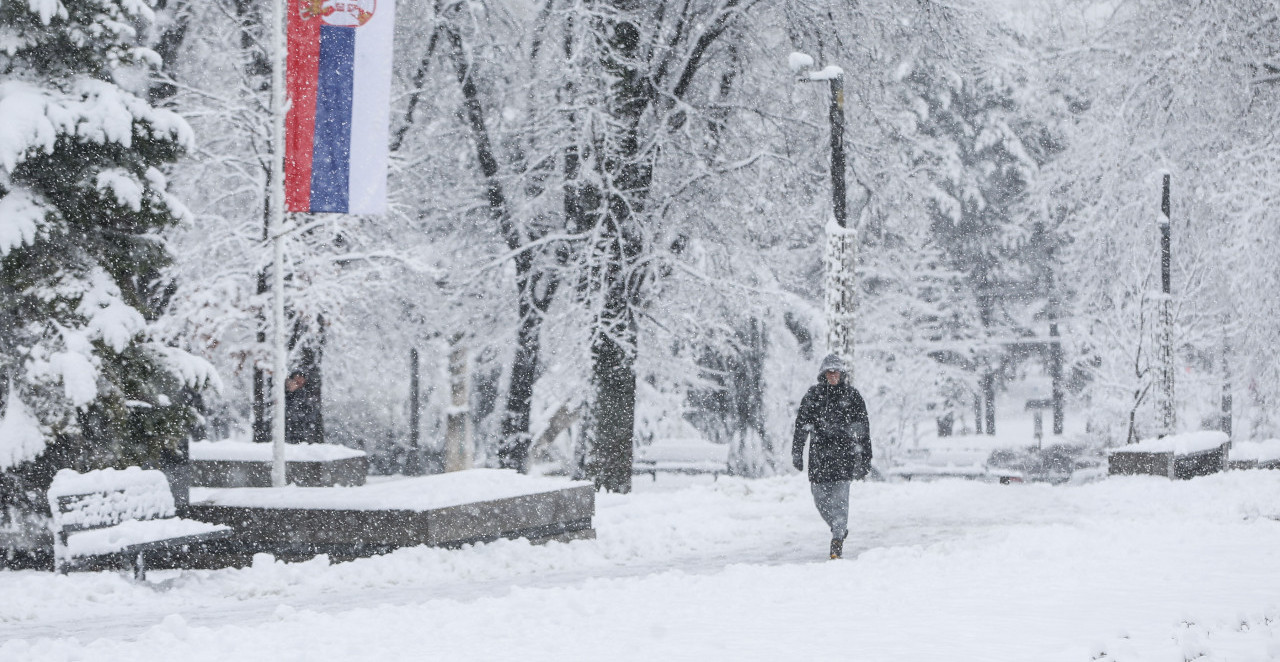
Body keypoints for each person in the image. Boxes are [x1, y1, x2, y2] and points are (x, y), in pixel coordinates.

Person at [792, 353, 871, 559]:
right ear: (824, 374)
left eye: (836, 372)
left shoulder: (852, 397)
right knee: (820, 499)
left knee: (840, 501)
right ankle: (838, 528)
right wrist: (797, 452)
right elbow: (801, 426)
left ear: (842, 373)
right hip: (819, 458)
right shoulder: (813, 396)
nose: (833, 375)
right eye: (829, 372)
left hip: (844, 458)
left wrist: (865, 458)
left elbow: (863, 429)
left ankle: (837, 540)